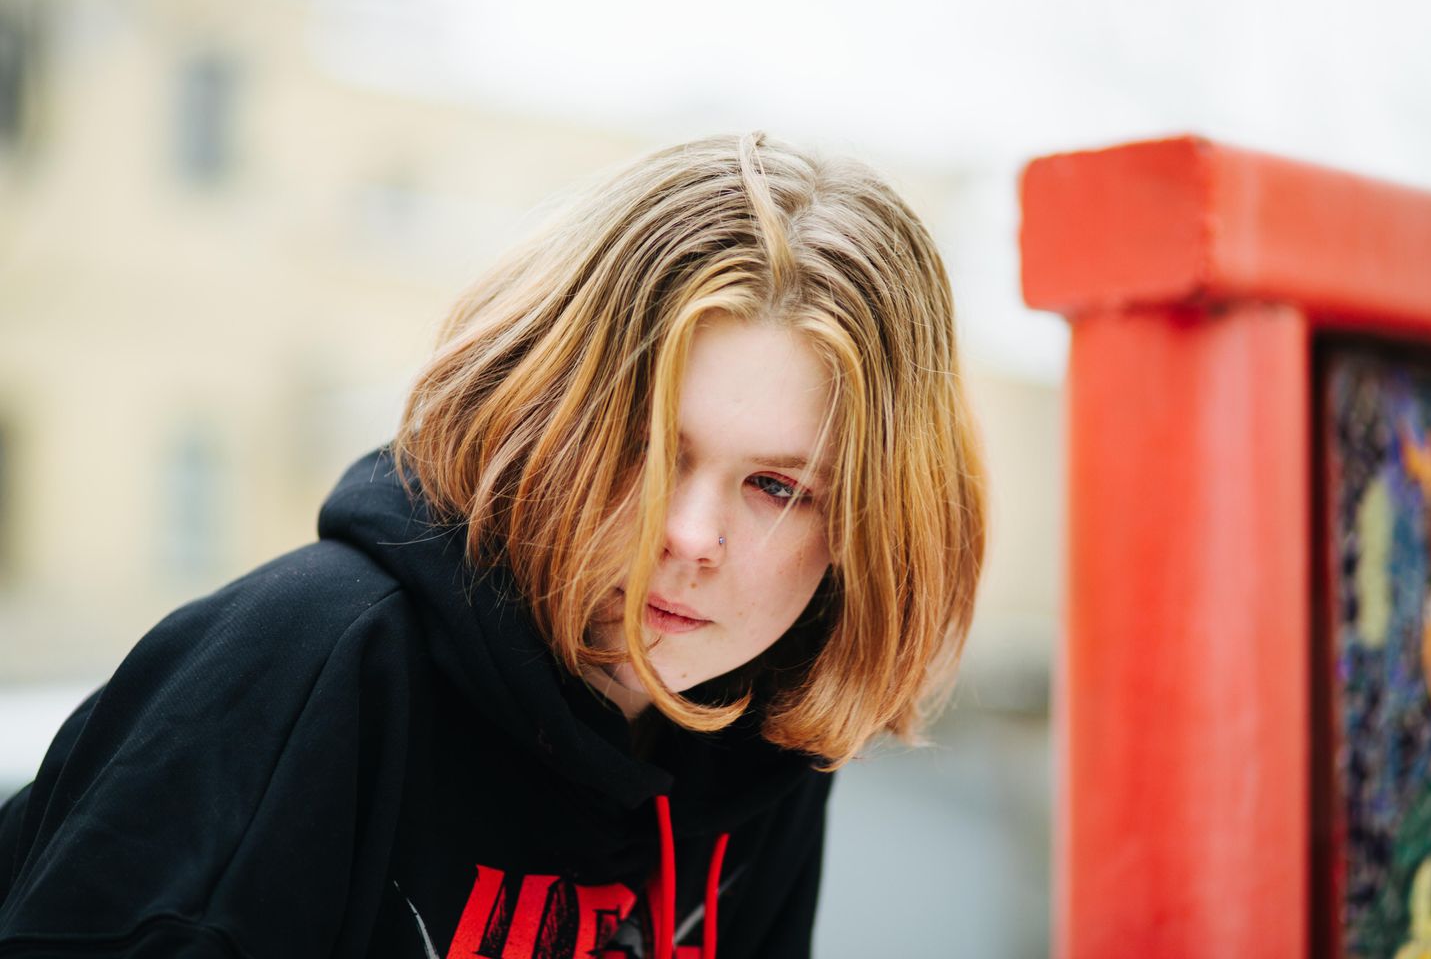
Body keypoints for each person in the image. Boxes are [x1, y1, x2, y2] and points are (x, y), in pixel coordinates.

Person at [0, 132, 986, 958]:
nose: (688, 535)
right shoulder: (299, 668)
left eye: (779, 488)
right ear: (542, 413)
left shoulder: (761, 747)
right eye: (644, 447)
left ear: (866, 530)